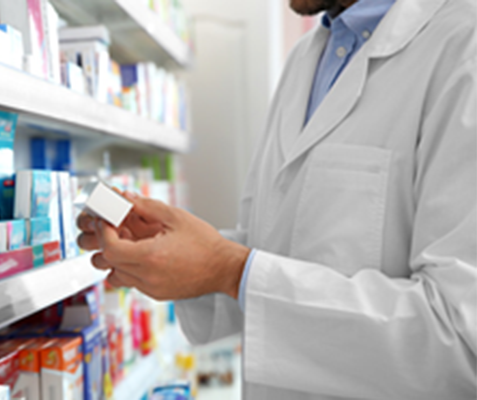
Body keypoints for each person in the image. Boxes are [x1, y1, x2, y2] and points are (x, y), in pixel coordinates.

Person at [77, 0, 477, 397]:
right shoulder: (307, 56)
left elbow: (460, 340)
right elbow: (271, 250)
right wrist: (188, 263)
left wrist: (230, 269)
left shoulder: (464, 45)